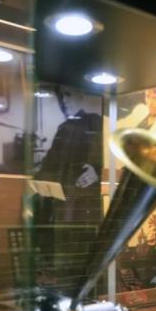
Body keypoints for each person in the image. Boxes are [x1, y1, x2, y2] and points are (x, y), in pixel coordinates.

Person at [37, 85, 103, 222]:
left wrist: (96, 172)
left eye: (68, 94)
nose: (63, 100)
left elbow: (106, 158)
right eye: (60, 96)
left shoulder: (94, 121)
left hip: (84, 203)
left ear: (81, 96)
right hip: (62, 201)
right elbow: (49, 163)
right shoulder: (62, 129)